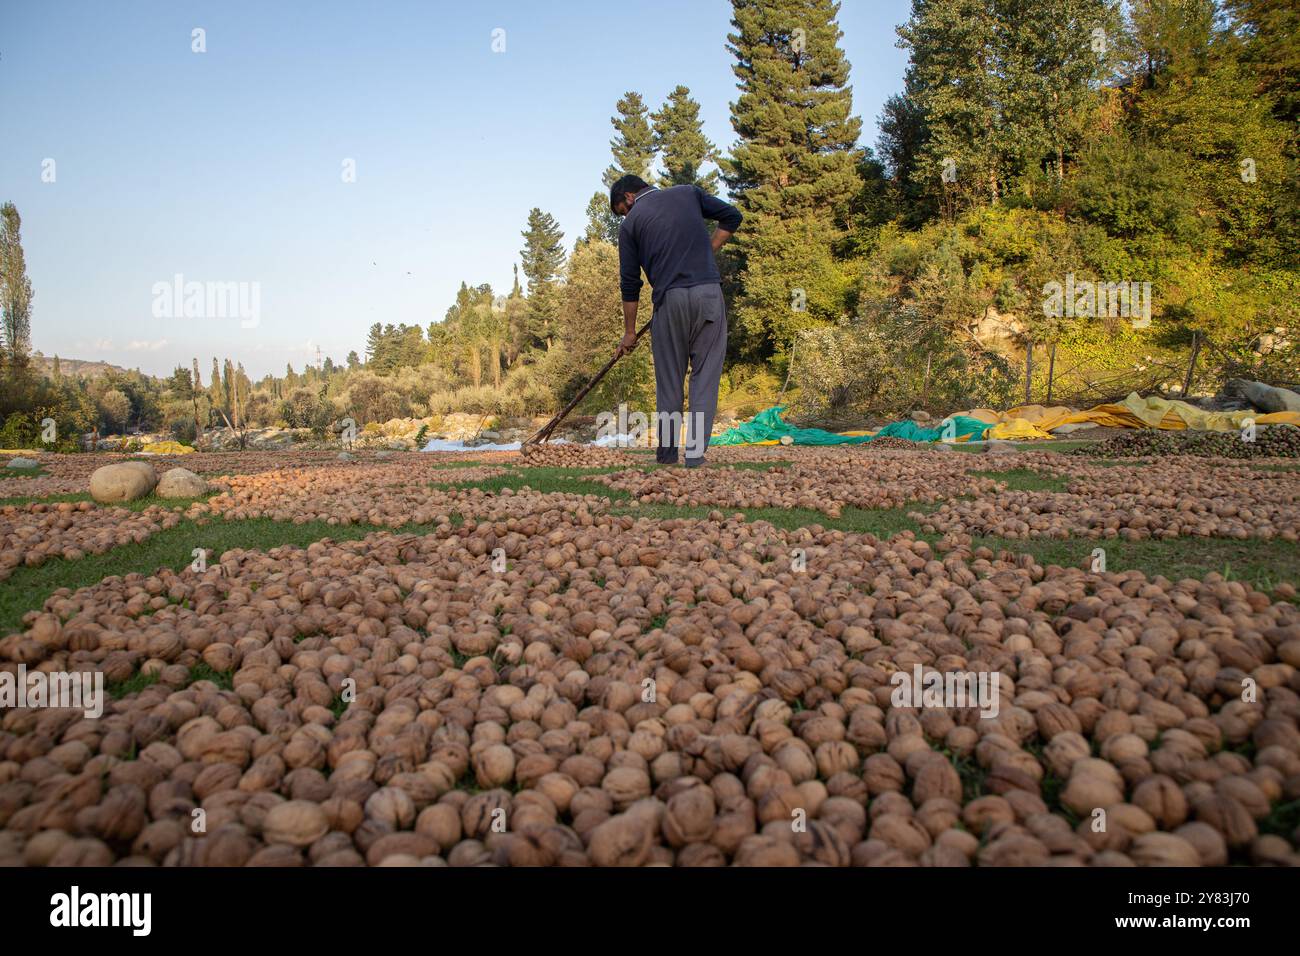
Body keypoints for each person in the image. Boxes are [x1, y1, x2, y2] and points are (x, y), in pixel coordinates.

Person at [610, 174, 742, 466]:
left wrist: (629, 332)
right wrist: (709, 250)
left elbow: (630, 284)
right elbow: (732, 216)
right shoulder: (688, 193)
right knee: (704, 378)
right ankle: (695, 456)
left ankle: (667, 455)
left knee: (669, 381)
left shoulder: (631, 225)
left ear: (629, 197)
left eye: (622, 210)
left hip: (669, 301)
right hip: (708, 294)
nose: (625, 216)